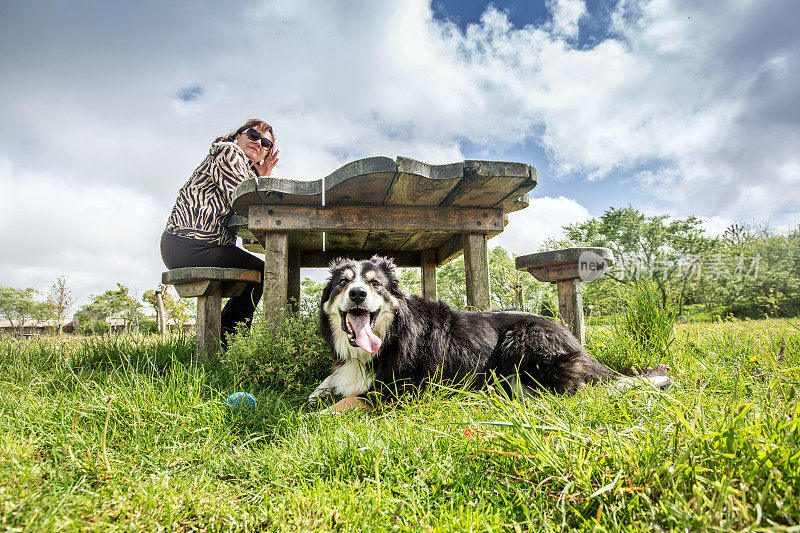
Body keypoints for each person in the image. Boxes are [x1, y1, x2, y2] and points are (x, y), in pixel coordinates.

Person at [161, 119, 279, 346]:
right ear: (238, 136)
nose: (258, 142)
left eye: (265, 143)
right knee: (265, 273)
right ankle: (228, 340)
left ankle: (225, 336)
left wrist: (259, 177)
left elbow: (246, 201)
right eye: (253, 135)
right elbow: (246, 200)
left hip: (192, 245)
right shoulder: (229, 151)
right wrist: (262, 180)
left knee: (260, 273)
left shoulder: (243, 167)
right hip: (191, 243)